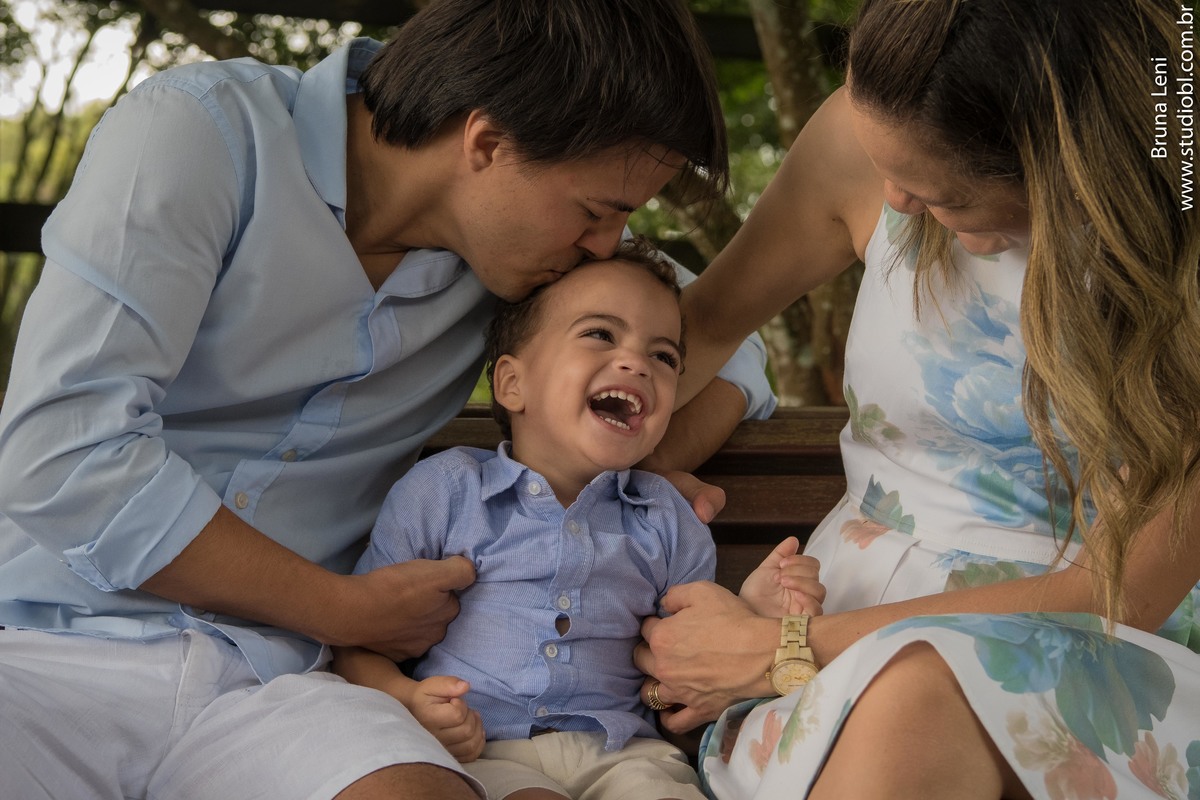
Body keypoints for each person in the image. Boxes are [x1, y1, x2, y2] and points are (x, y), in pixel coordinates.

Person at [0, 2, 778, 799]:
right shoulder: (202, 137)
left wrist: (608, 475)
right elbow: (62, 450)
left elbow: (731, 353)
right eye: (595, 210)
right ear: (486, 142)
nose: (605, 246)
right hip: (47, 647)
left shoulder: (518, 266)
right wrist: (338, 609)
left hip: (286, 689)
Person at [632, 1, 1200, 798]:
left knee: (918, 694)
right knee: (909, 699)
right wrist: (634, 470)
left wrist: (783, 648)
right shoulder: (873, 139)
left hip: (1102, 655)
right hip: (837, 625)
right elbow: (705, 329)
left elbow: (1125, 591)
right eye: (881, 162)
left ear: (1060, 159)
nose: (892, 200)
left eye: (943, 195)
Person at [333, 240, 822, 800]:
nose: (636, 361)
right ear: (513, 383)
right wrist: (405, 698)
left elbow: (688, 671)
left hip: (627, 754)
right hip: (484, 751)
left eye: (664, 357)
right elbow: (358, 640)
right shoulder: (445, 491)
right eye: (600, 334)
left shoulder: (666, 519)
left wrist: (751, 616)